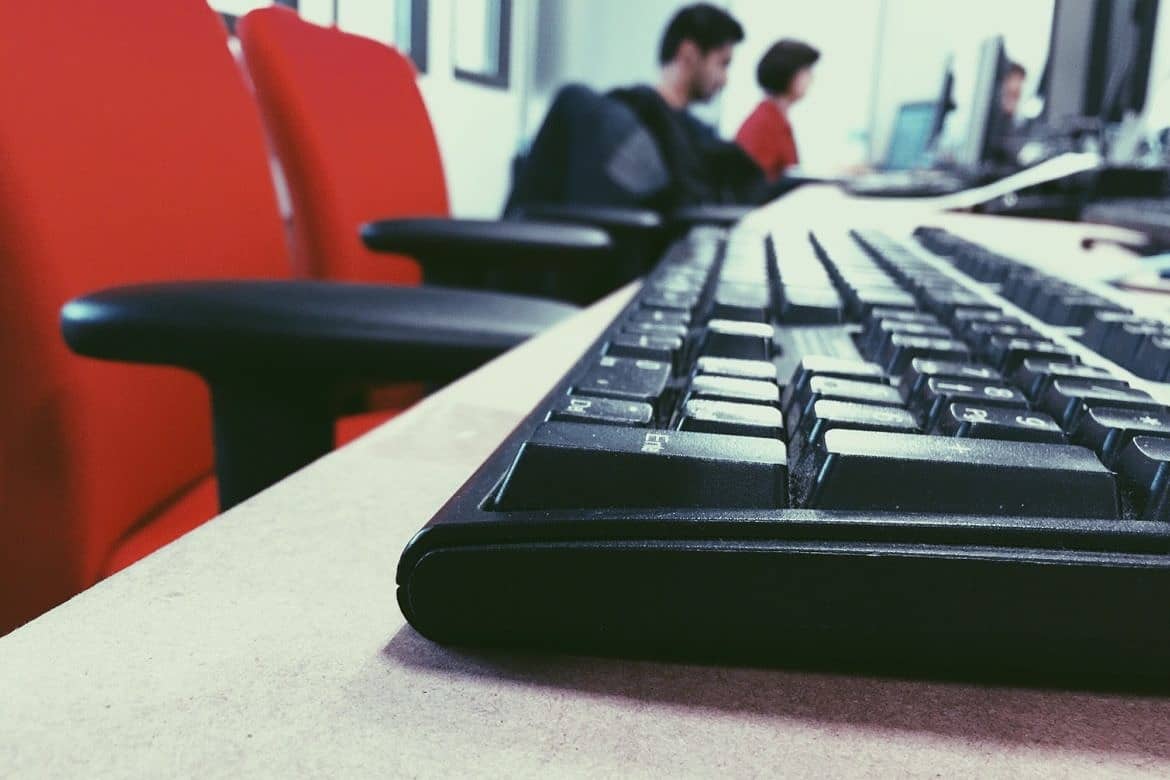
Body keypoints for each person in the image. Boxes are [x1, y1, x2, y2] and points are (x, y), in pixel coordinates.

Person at [606, 4, 769, 207]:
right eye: (722, 63)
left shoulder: (696, 133)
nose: (725, 79)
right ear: (688, 54)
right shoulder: (632, 115)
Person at [735, 39, 821, 181]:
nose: (811, 78)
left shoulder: (776, 118)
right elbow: (756, 185)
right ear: (788, 72)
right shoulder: (764, 123)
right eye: (806, 70)